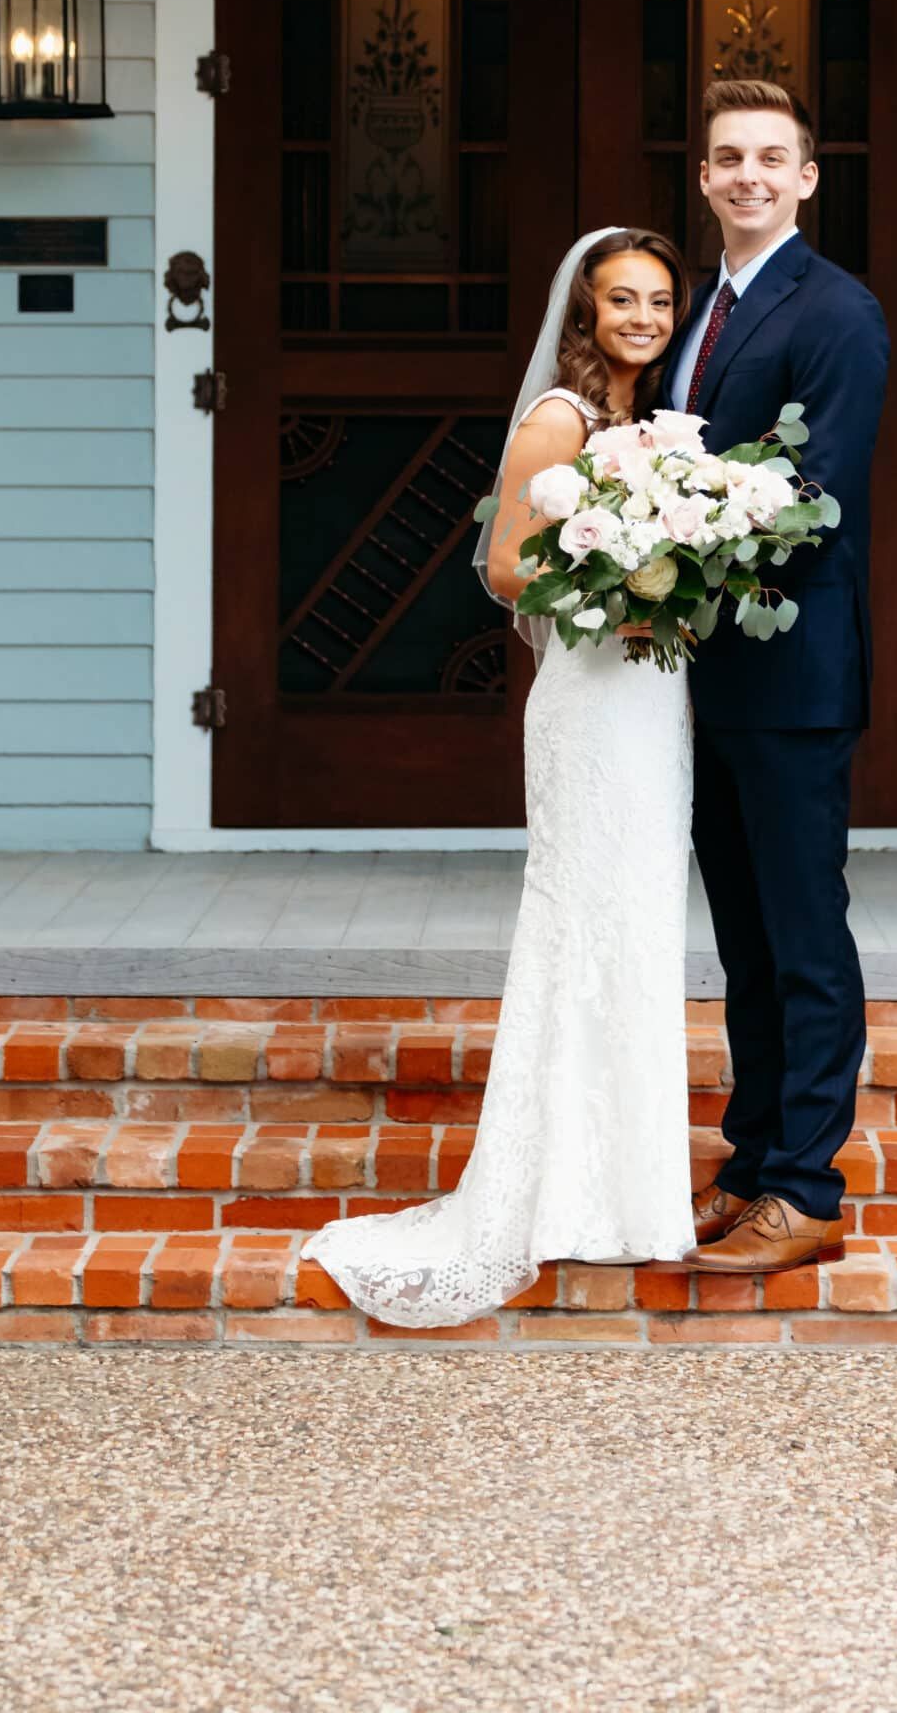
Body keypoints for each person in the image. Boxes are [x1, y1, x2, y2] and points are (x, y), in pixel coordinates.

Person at [302, 227, 697, 1327]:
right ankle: (559, 1192)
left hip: (649, 698)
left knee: (638, 920)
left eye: (658, 300)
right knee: (585, 922)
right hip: (589, 692)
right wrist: (624, 589)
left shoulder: (650, 426)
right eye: (621, 299)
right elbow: (509, 562)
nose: (642, 318)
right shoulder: (561, 418)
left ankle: (628, 1190)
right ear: (586, 311)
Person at [664, 78, 890, 1276]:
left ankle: (808, 1186)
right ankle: (753, 1160)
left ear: (807, 177)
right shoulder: (703, 309)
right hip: (708, 676)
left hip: (792, 671)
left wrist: (670, 530)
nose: (748, 173)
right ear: (702, 178)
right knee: (745, 937)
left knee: (803, 937)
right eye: (726, 157)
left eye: (771, 156)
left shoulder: (837, 312)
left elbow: (819, 497)